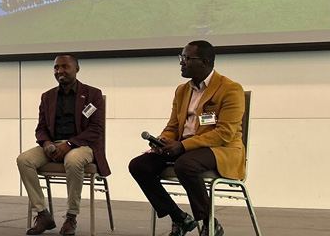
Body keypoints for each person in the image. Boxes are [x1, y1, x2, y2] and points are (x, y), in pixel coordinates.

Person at [129, 40, 245, 236]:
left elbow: (224, 133)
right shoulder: (182, 90)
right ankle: (179, 218)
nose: (181, 63)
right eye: (181, 58)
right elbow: (173, 126)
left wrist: (183, 146)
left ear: (205, 62)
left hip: (220, 149)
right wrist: (163, 140)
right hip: (184, 148)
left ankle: (209, 221)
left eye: (187, 58)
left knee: (185, 164)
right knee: (139, 165)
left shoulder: (230, 89)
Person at [17, 54, 110, 236]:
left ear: (77, 68)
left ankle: (71, 216)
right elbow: (41, 128)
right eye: (56, 67)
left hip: (82, 145)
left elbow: (96, 129)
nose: (60, 71)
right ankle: (43, 214)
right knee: (24, 160)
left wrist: (69, 144)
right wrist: (46, 143)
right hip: (53, 145)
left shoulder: (93, 94)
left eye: (65, 67)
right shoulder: (47, 96)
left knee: (73, 160)